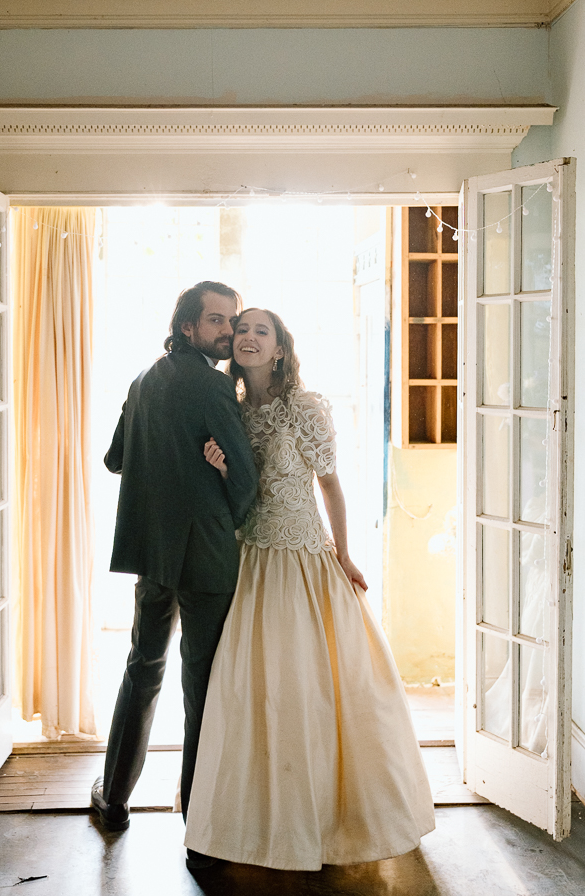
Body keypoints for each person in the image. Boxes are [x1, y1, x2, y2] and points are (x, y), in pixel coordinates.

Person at [184, 308, 435, 871]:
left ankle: (322, 821)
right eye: (241, 329)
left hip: (302, 560)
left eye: (260, 331)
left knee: (314, 687)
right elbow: (243, 496)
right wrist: (225, 472)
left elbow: (330, 485)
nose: (247, 336)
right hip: (252, 559)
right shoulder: (233, 410)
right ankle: (255, 821)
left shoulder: (305, 407)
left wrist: (342, 556)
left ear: (279, 349)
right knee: (251, 691)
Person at [91, 283, 258, 865]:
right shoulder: (215, 386)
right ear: (186, 326)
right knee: (202, 689)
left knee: (143, 670)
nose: (228, 332)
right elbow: (247, 480)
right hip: (207, 557)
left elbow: (115, 460)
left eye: (232, 321)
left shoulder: (141, 382)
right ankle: (200, 831)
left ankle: (113, 800)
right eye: (217, 321)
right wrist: (227, 505)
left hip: (153, 556)